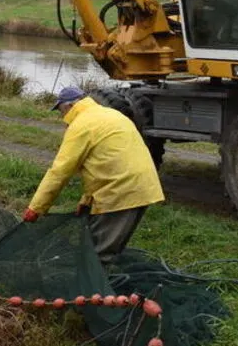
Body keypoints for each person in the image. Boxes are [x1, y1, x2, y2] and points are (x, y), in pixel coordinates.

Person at [22, 87, 165, 266]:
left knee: (97, 254)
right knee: (106, 247)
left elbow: (59, 172)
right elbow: (103, 164)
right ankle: (99, 279)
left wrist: (36, 208)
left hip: (121, 192)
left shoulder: (80, 125)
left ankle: (92, 282)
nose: (62, 116)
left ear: (70, 106)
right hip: (144, 186)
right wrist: (87, 200)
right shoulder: (112, 115)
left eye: (61, 110)